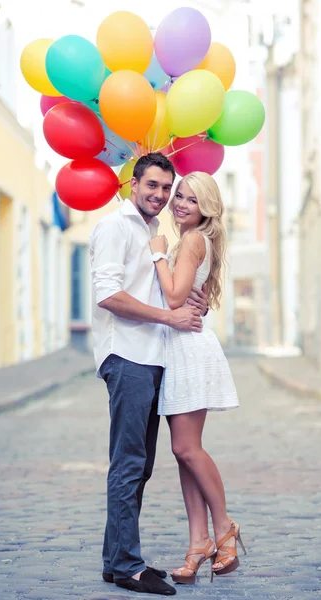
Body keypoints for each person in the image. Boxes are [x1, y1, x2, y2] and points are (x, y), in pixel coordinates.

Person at [89, 153, 208, 596]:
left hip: (153, 357)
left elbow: (163, 292)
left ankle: (115, 560)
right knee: (129, 463)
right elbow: (108, 295)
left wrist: (189, 305)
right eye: (152, 186)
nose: (160, 195)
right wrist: (166, 317)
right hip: (127, 356)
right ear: (132, 185)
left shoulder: (153, 232)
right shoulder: (115, 227)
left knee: (140, 467)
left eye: (166, 188)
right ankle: (127, 566)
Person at [149, 172, 246, 585]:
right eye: (179, 197)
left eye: (191, 199)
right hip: (180, 346)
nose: (180, 204)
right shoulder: (190, 241)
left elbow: (173, 297)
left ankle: (223, 527)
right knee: (183, 451)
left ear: (206, 206)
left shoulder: (189, 241)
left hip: (188, 350)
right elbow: (185, 297)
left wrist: (157, 254)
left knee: (187, 448)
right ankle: (198, 542)